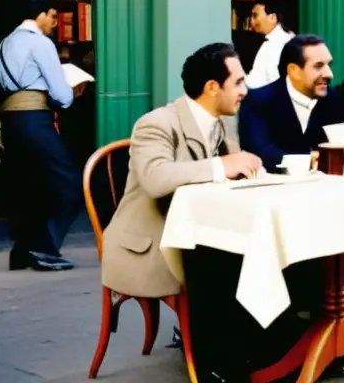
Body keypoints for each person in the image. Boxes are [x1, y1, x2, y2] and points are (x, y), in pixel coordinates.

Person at [101, 43, 264, 379]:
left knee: (258, 248)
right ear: (211, 88)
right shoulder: (157, 123)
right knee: (223, 258)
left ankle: (263, 352)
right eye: (239, 83)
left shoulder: (219, 123)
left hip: (195, 230)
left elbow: (229, 173)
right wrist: (223, 164)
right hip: (149, 242)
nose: (245, 91)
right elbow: (156, 178)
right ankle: (220, 367)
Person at [0, 0, 87, 271]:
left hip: (9, 122)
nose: (55, 24)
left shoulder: (4, 44)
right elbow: (61, 97)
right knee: (68, 184)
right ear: (41, 15)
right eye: (54, 17)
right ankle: (44, 249)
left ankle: (22, 252)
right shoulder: (40, 43)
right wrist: (74, 92)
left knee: (28, 187)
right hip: (35, 119)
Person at [238, 34, 344, 171]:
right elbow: (260, 152)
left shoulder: (331, 99)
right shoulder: (258, 101)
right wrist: (310, 159)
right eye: (318, 66)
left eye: (328, 65)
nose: (329, 74)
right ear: (293, 71)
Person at [244, 1, 294, 89]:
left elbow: (274, 80)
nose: (252, 21)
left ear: (272, 18)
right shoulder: (281, 39)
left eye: (255, 16)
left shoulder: (277, 44)